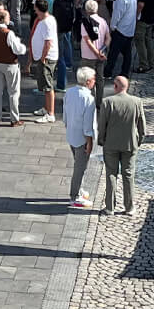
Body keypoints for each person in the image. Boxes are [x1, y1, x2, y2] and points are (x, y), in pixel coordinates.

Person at [96, 74, 146, 216]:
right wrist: (139, 141)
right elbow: (142, 128)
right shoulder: (137, 102)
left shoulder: (107, 102)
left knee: (111, 174)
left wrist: (101, 140)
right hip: (130, 144)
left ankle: (110, 207)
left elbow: (102, 125)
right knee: (128, 175)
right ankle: (129, 207)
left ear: (115, 87)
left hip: (111, 144)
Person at [0, 5, 26, 125]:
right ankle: (14, 119)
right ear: (4, 19)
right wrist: (22, 45)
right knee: (13, 92)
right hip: (10, 64)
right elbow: (18, 50)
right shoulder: (8, 33)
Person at [64, 65, 98, 208]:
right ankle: (75, 196)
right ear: (88, 81)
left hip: (71, 133)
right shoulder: (88, 99)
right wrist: (89, 142)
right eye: (94, 78)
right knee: (80, 168)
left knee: (79, 165)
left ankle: (79, 189)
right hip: (82, 138)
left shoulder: (69, 92)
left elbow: (65, 115)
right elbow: (88, 124)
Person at [27, 0, 59, 122]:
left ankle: (50, 114)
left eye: (36, 9)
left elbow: (48, 42)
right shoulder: (45, 19)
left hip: (47, 58)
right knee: (44, 85)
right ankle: (46, 108)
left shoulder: (47, 22)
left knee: (47, 86)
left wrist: (43, 58)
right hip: (44, 57)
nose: (35, 11)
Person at [106, 0, 139, 81]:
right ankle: (125, 72)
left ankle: (107, 72)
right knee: (127, 53)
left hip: (120, 29)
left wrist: (112, 27)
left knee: (113, 53)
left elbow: (117, 15)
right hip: (129, 29)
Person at [77, 0, 110, 88]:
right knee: (99, 80)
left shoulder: (85, 22)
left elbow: (88, 41)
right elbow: (108, 37)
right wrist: (102, 50)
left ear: (86, 10)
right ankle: (99, 101)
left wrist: (96, 53)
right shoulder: (103, 21)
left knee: (87, 80)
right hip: (101, 56)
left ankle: (89, 101)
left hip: (88, 56)